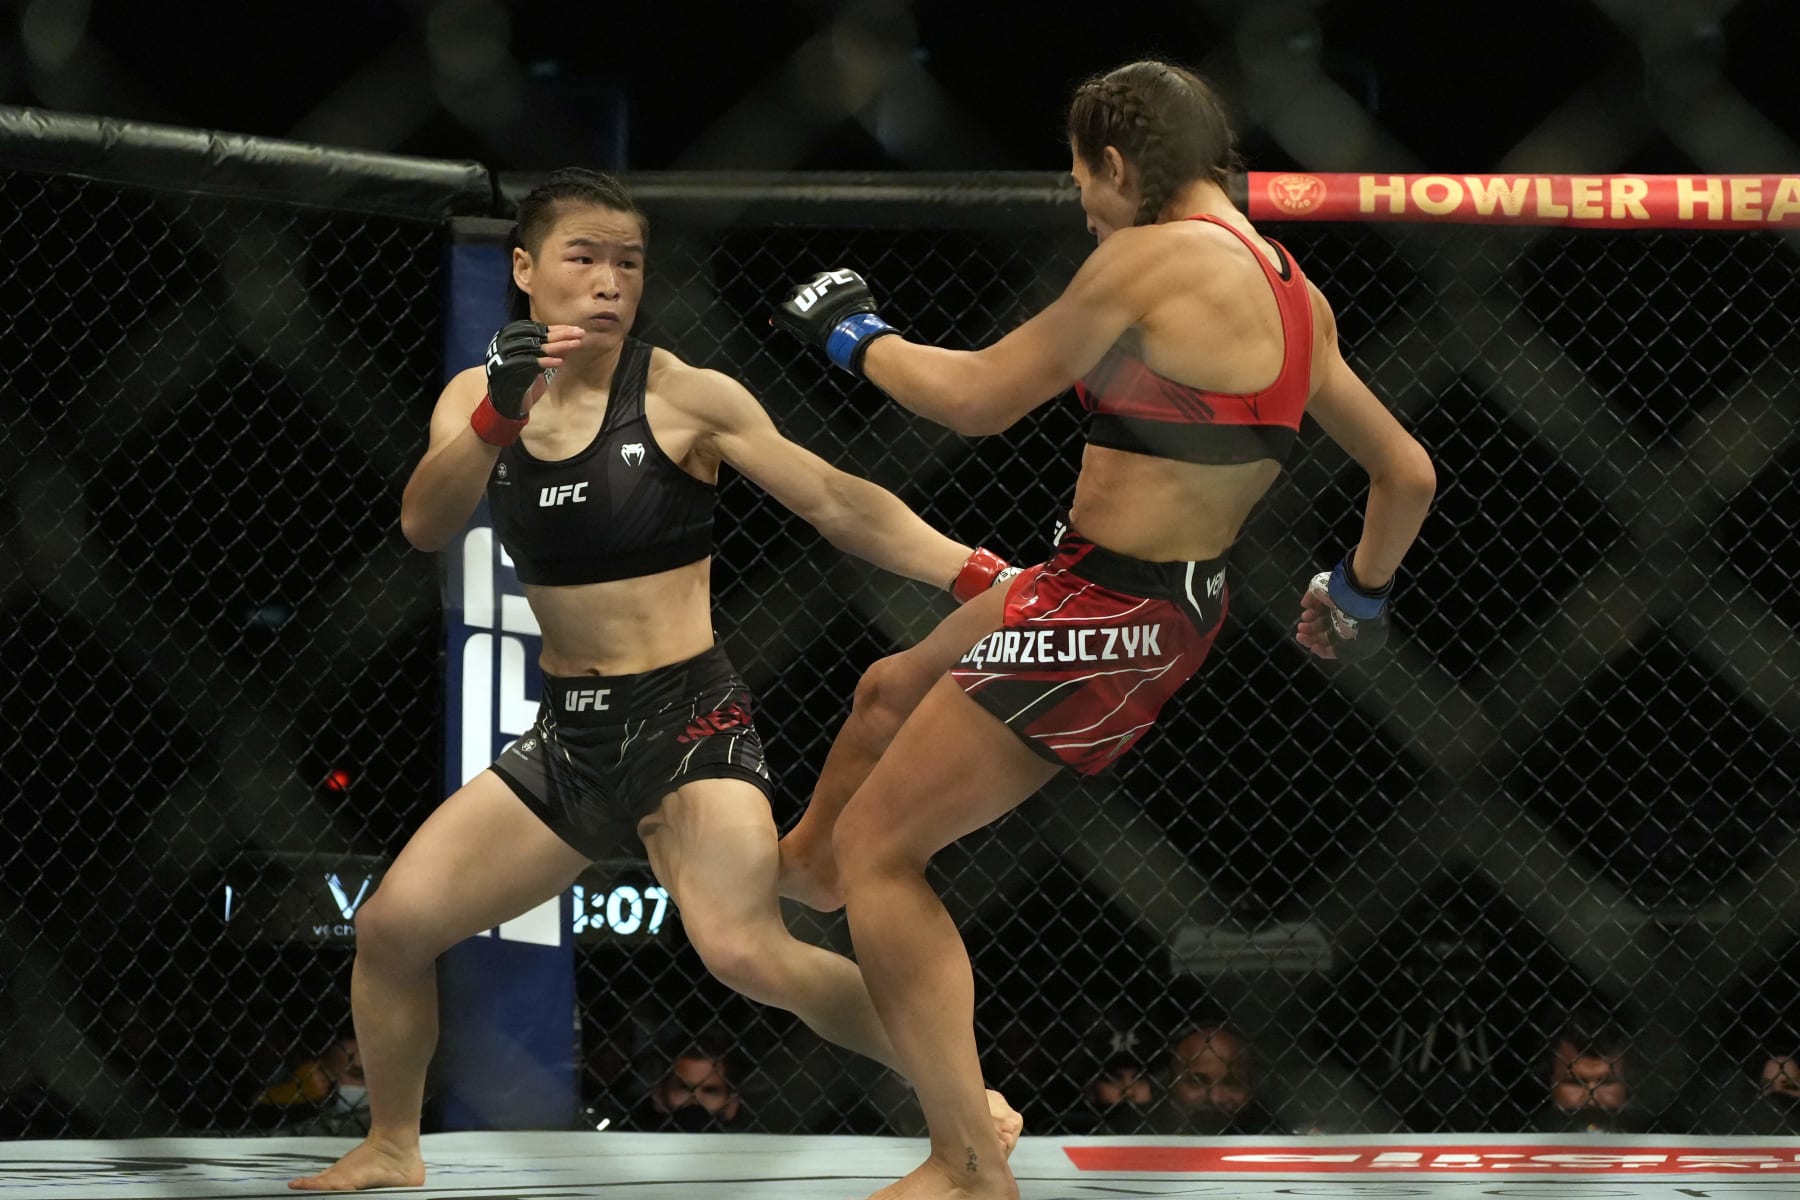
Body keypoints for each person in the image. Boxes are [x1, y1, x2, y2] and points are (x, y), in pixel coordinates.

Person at [772, 58, 1435, 1200]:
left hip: (1111, 612)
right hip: (1111, 587)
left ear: (1121, 166)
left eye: (1082, 178)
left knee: (890, 852)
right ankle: (799, 879)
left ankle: (968, 1161)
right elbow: (1408, 472)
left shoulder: (1147, 257)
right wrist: (1356, 592)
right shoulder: (1296, 293)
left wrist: (853, 336)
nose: (1081, 203)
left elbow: (978, 399)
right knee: (886, 690)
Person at [291, 168, 1020, 1192]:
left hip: (686, 720)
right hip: (568, 739)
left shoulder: (683, 394)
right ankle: (394, 1145)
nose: (607, 282)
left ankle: (963, 1100)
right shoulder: (476, 397)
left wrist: (973, 572)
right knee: (392, 927)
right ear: (525, 270)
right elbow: (424, 524)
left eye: (627, 263)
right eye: (583, 257)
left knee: (745, 951)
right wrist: (498, 417)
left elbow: (833, 499)